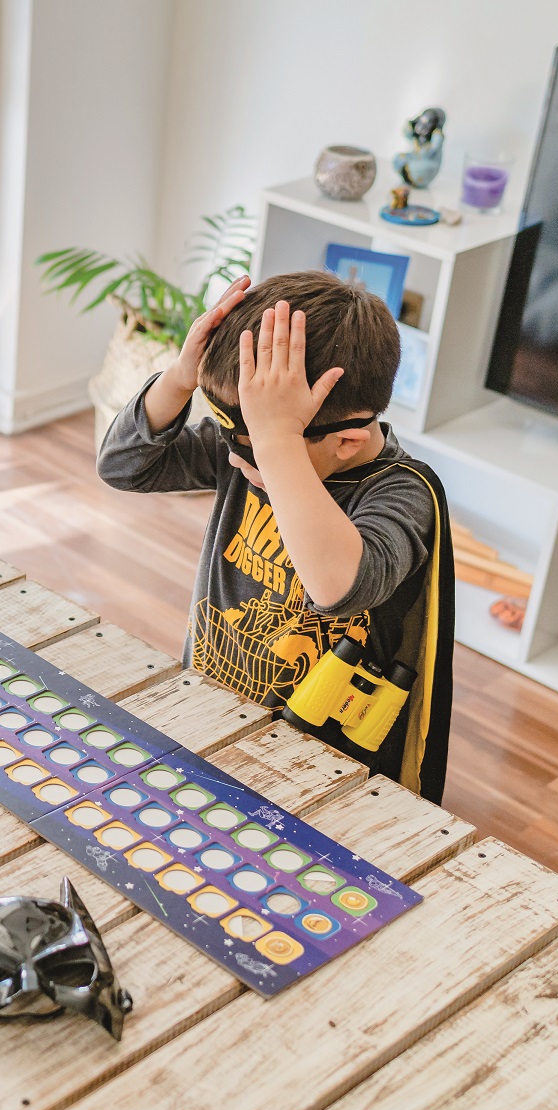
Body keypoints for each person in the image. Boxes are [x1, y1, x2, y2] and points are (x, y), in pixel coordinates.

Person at [98, 271, 455, 802]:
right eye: (232, 434)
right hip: (211, 702)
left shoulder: (402, 493)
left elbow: (339, 586)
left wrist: (279, 444)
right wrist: (179, 378)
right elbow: (124, 466)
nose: (236, 457)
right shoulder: (246, 448)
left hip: (317, 759)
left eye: (257, 444)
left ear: (348, 440)